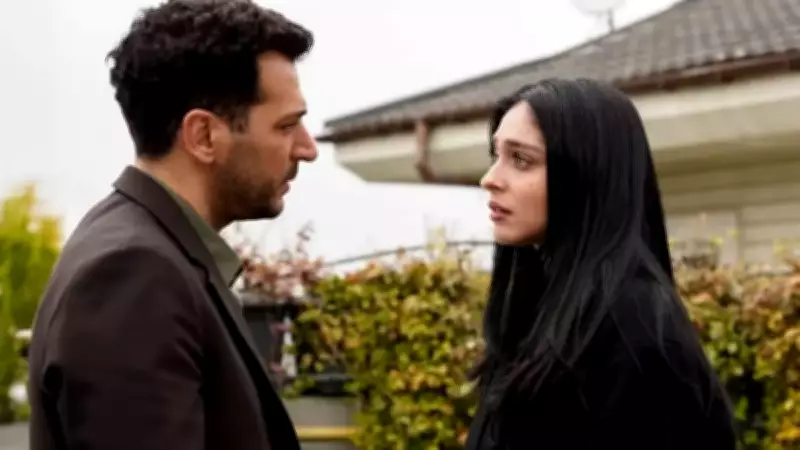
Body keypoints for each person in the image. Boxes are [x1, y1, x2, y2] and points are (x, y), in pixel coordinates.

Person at [27, 1, 317, 449]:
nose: (307, 148)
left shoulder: (155, 257)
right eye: (286, 126)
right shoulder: (134, 275)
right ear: (203, 136)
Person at [466, 78, 737, 449]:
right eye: (495, 156)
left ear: (586, 175)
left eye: (521, 160)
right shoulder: (542, 307)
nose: (490, 179)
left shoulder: (633, 324)